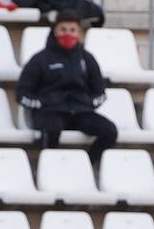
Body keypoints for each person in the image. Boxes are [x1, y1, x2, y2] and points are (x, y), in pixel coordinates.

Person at [17, 9, 118, 165]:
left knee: (109, 131)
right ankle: (50, 167)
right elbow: (22, 93)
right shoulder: (40, 59)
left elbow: (100, 91)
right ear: (55, 31)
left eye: (72, 30)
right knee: (52, 129)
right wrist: (42, 103)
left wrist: (89, 104)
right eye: (63, 29)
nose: (68, 34)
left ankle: (86, 166)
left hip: (80, 111)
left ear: (79, 33)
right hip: (50, 111)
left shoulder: (87, 59)